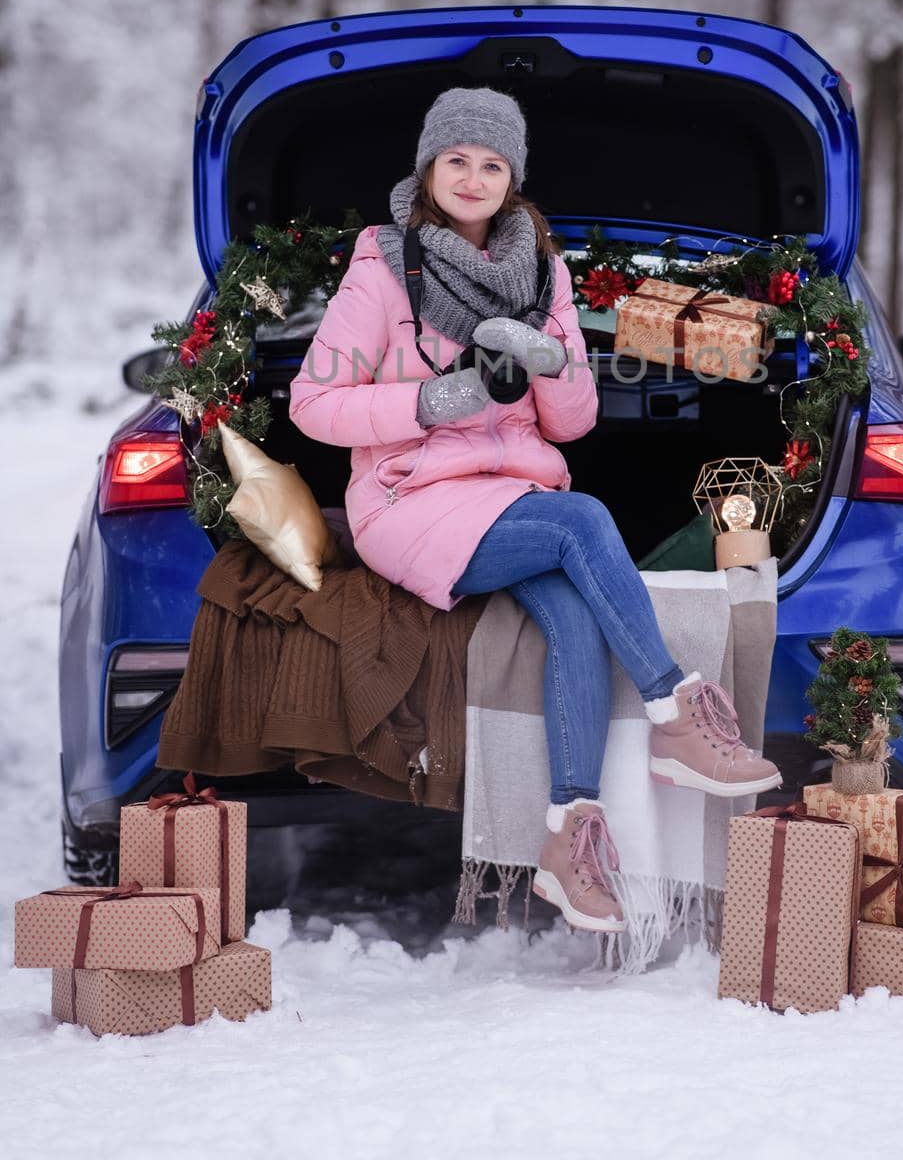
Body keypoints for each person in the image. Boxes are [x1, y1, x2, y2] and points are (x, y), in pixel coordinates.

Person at [289, 86, 781, 935]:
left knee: (576, 624)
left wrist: (555, 361)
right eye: (457, 160)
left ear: (511, 177)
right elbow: (311, 406)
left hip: (507, 494)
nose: (473, 178)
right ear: (429, 166)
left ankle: (567, 834)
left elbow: (573, 423)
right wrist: (430, 401)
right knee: (582, 520)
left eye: (491, 163)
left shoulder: (542, 273)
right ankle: (673, 711)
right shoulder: (382, 269)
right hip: (407, 499)